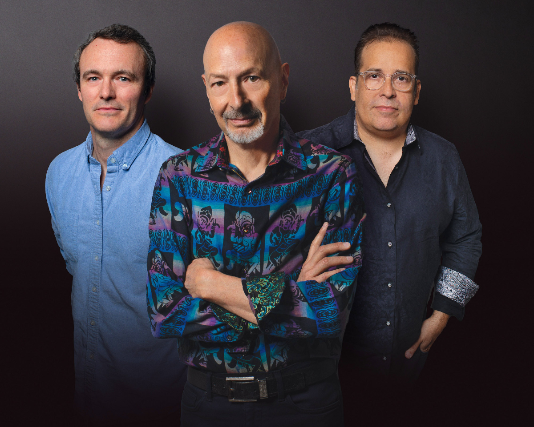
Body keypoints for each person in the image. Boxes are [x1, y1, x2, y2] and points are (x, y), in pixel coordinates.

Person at [147, 22, 364, 427]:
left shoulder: (332, 174)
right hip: (209, 406)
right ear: (206, 89)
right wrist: (293, 295)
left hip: (307, 405)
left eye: (251, 78)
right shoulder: (178, 177)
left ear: (282, 81)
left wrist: (211, 285)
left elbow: (330, 311)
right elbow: (165, 312)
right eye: (220, 83)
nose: (237, 101)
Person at [298, 23, 482, 388]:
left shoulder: (444, 158)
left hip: (408, 372)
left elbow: (465, 237)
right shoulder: (306, 155)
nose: (387, 91)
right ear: (354, 86)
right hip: (319, 379)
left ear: (416, 91)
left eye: (401, 78)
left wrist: (443, 312)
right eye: (374, 76)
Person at [45, 24, 186, 426]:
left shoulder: (185, 178)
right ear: (79, 88)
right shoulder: (58, 174)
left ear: (147, 89)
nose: (106, 92)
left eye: (123, 78)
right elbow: (80, 269)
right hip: (87, 399)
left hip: (164, 407)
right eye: (93, 78)